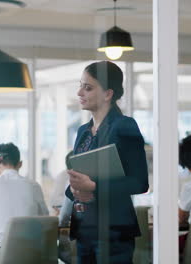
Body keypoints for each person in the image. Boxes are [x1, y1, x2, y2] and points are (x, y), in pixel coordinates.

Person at [65, 61, 149, 264]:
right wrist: (74, 190)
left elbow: (139, 183)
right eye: (80, 86)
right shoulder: (82, 132)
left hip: (114, 232)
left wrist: (93, 186)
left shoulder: (124, 126)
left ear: (108, 94)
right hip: (85, 228)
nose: (79, 92)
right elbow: (79, 177)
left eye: (88, 87)